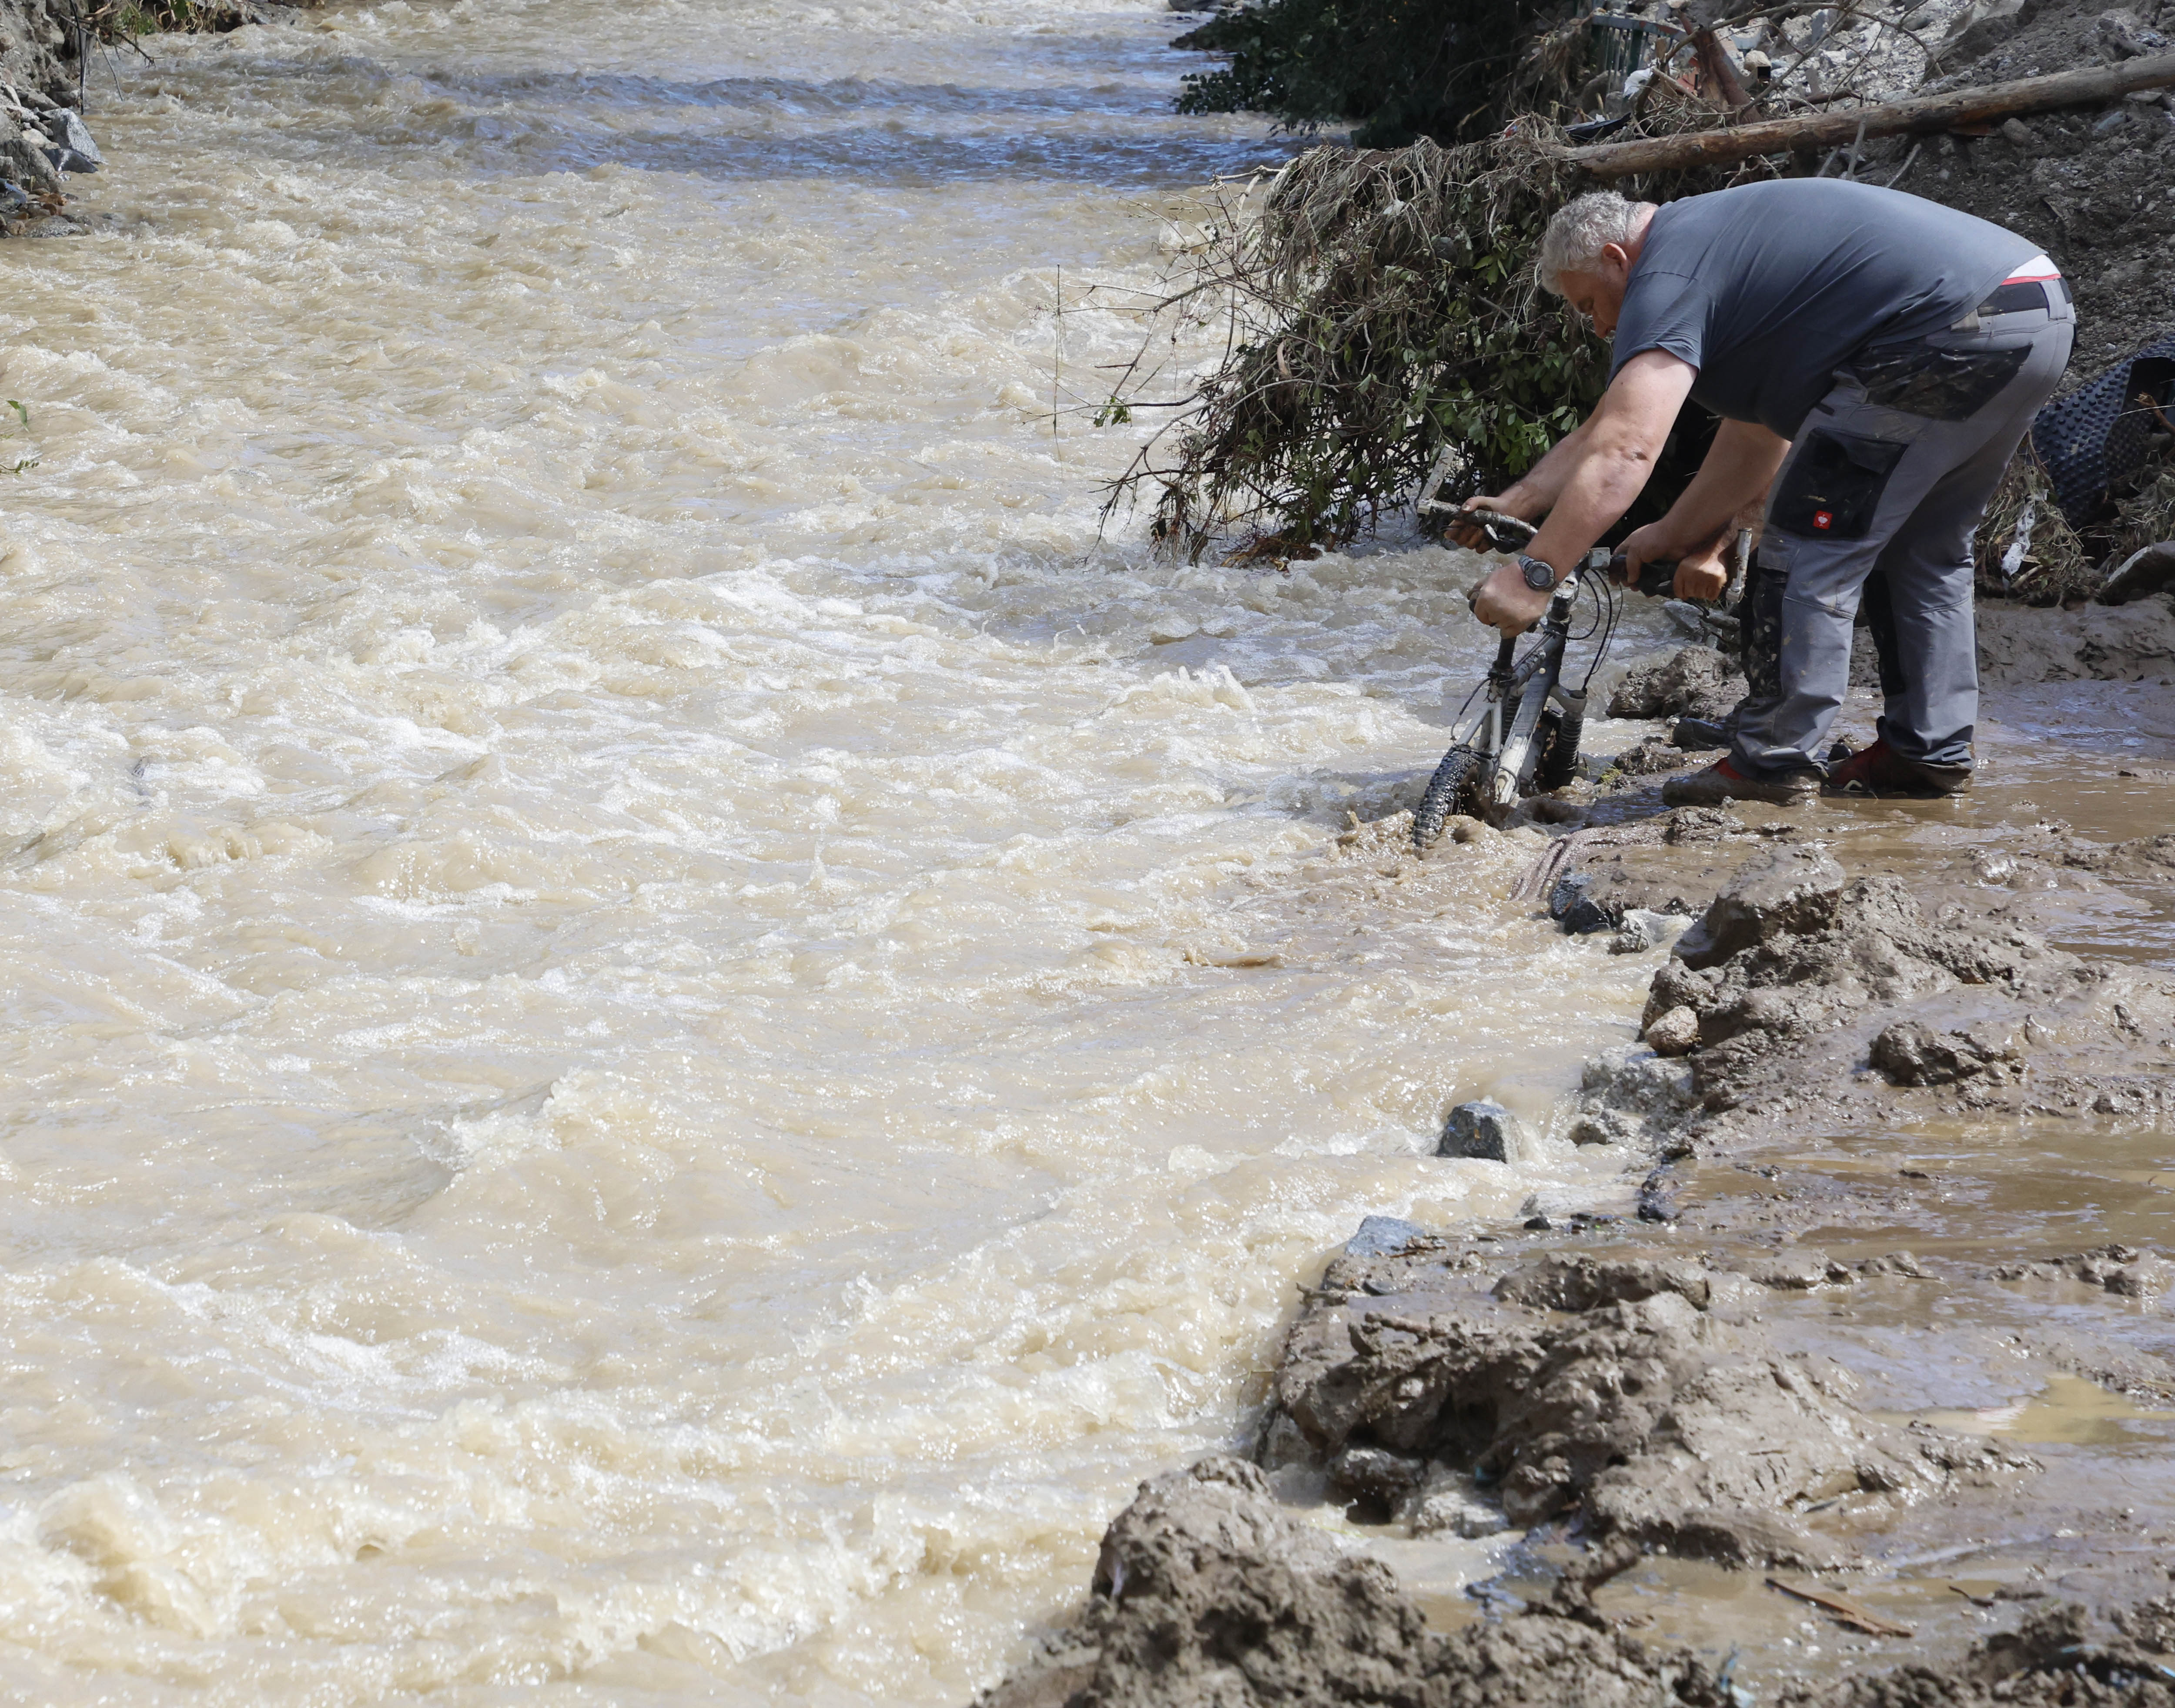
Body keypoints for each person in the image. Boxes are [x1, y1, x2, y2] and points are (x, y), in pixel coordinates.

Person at [1450, 180, 2073, 804]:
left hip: (1945, 328)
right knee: (1922, 551)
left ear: (1616, 260)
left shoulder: (1665, 271)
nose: (1597, 326)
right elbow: (1753, 438)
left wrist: (1536, 574)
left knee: (1806, 542)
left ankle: (1773, 761)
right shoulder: (1717, 250)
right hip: (2031, 308)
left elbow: (1627, 447)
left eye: (1589, 305)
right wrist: (1536, 503)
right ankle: (1926, 752)